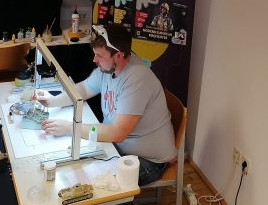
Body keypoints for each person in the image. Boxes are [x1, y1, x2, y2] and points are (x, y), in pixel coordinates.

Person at [35, 23, 177, 186]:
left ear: (119, 55)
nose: (94, 59)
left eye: (100, 55)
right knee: (74, 169)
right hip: (116, 147)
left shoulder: (137, 81)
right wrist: (52, 100)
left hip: (148, 161)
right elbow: (84, 89)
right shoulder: (108, 69)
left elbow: (117, 133)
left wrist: (70, 128)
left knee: (85, 183)